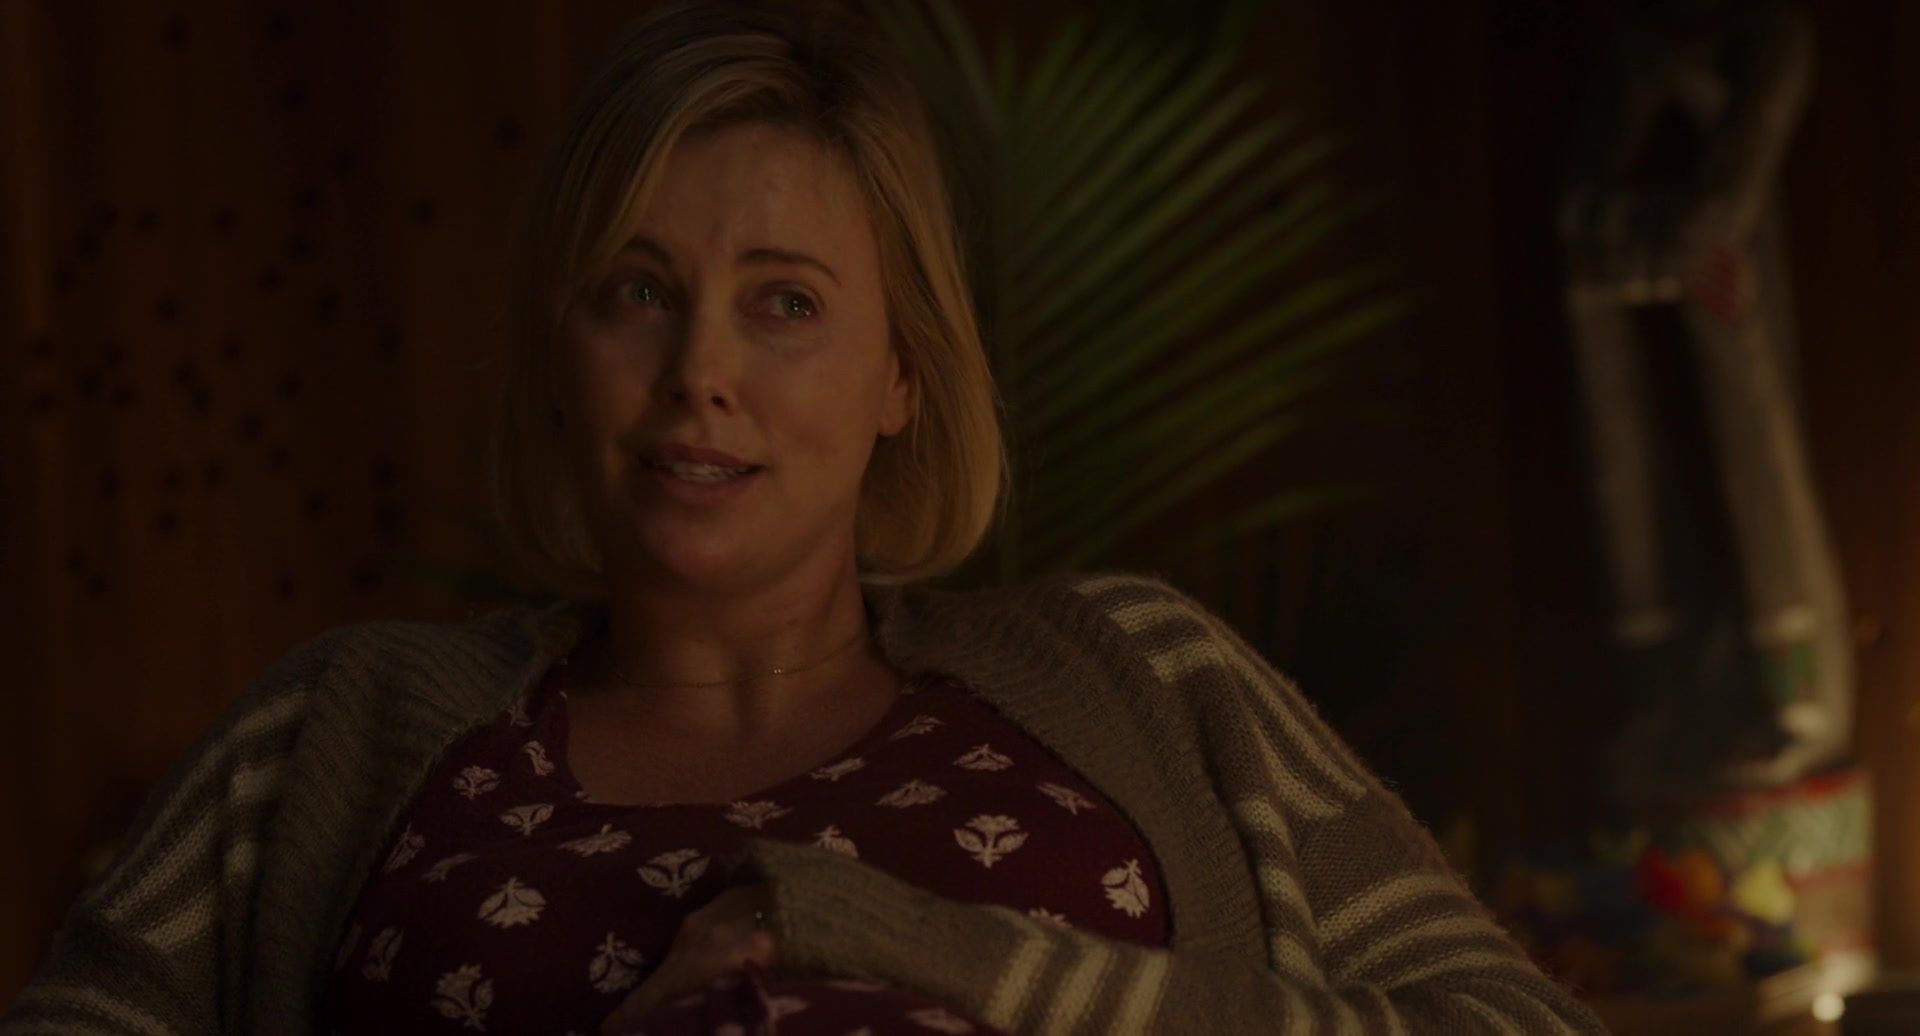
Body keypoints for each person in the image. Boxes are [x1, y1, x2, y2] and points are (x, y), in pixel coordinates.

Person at [2, 2, 1608, 1032]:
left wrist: (934, 950)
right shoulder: (325, 740)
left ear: (903, 372)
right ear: (560, 352)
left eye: (784, 303)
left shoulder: (1145, 672)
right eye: (639, 291)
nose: (700, 373)